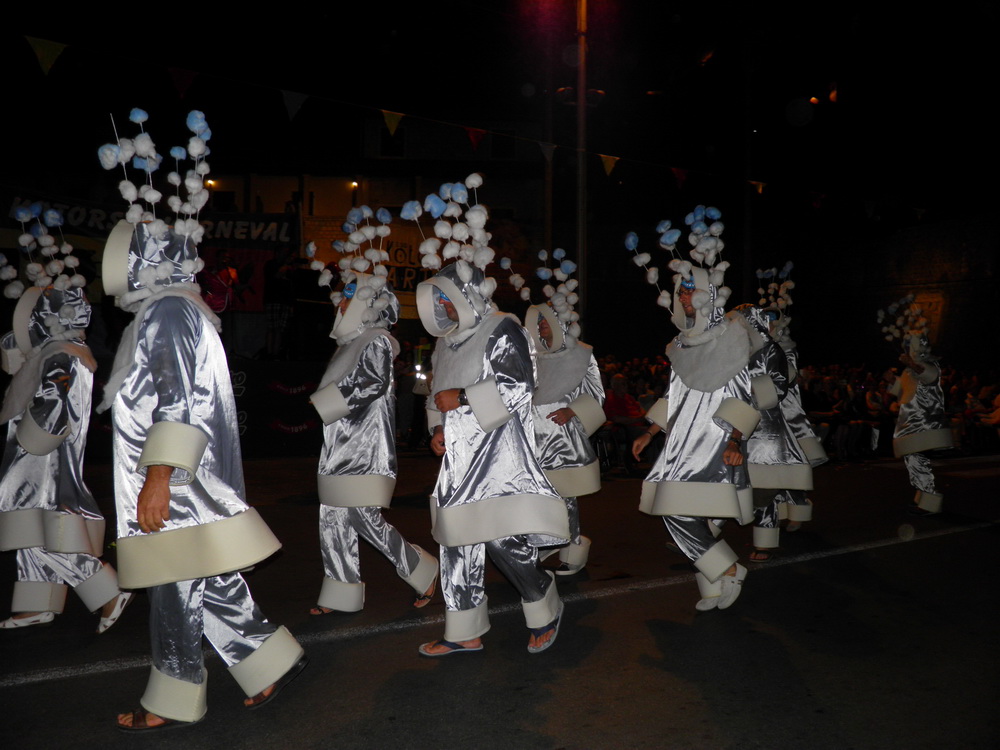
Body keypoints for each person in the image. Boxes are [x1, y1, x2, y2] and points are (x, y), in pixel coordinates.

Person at [100, 214, 306, 730]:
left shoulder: (166, 310)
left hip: (172, 478)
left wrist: (159, 477)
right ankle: (270, 661)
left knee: (172, 584)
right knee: (203, 575)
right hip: (181, 475)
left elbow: (175, 401)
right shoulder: (177, 308)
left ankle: (173, 697)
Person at [416, 260, 569, 656]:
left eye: (448, 297)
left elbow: (520, 386)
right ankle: (464, 631)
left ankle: (542, 598)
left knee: (502, 539)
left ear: (468, 293)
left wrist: (463, 398)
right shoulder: (445, 342)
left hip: (498, 453)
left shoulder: (503, 327)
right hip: (458, 456)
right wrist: (438, 429)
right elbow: (438, 394)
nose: (443, 306)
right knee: (456, 540)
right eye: (438, 300)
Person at [630, 210, 756, 611]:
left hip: (714, 442)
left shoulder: (730, 337)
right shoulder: (680, 344)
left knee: (680, 512)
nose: (684, 297)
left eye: (690, 289)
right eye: (680, 290)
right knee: (685, 514)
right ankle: (714, 585)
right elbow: (675, 395)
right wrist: (650, 431)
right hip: (681, 442)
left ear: (705, 294)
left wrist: (735, 440)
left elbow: (744, 396)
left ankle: (728, 569)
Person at [308, 244, 437, 615]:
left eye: (349, 298)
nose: (342, 304)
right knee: (332, 517)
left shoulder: (376, 340)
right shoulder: (350, 344)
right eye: (343, 297)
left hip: (364, 446)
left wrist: (326, 402)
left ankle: (420, 568)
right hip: (339, 444)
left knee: (364, 517)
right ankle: (342, 590)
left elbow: (373, 383)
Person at [0, 275, 132, 632]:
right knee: (30, 522)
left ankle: (107, 590)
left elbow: (54, 406)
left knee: (44, 521)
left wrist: (30, 441)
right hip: (43, 451)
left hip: (41, 454)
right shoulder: (62, 351)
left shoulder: (62, 355)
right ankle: (36, 603)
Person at [524, 299, 605, 576]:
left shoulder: (581, 354)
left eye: (546, 320)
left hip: (562, 437)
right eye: (538, 321)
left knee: (565, 496)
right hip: (533, 437)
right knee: (537, 496)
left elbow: (597, 395)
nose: (541, 325)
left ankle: (573, 550)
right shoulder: (532, 357)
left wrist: (572, 411)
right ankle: (546, 541)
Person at [732, 304, 812, 562]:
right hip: (735, 423)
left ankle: (765, 539)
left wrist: (746, 391)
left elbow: (779, 387)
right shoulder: (735, 350)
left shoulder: (772, 349)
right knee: (729, 481)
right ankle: (702, 533)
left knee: (766, 484)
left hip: (765, 428)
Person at [891, 335, 953, 515]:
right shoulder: (907, 371)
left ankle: (929, 502)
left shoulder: (930, 366)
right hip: (909, 423)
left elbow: (927, 375)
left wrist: (910, 363)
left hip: (923, 422)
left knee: (918, 460)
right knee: (914, 461)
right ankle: (921, 498)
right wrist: (891, 381)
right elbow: (900, 392)